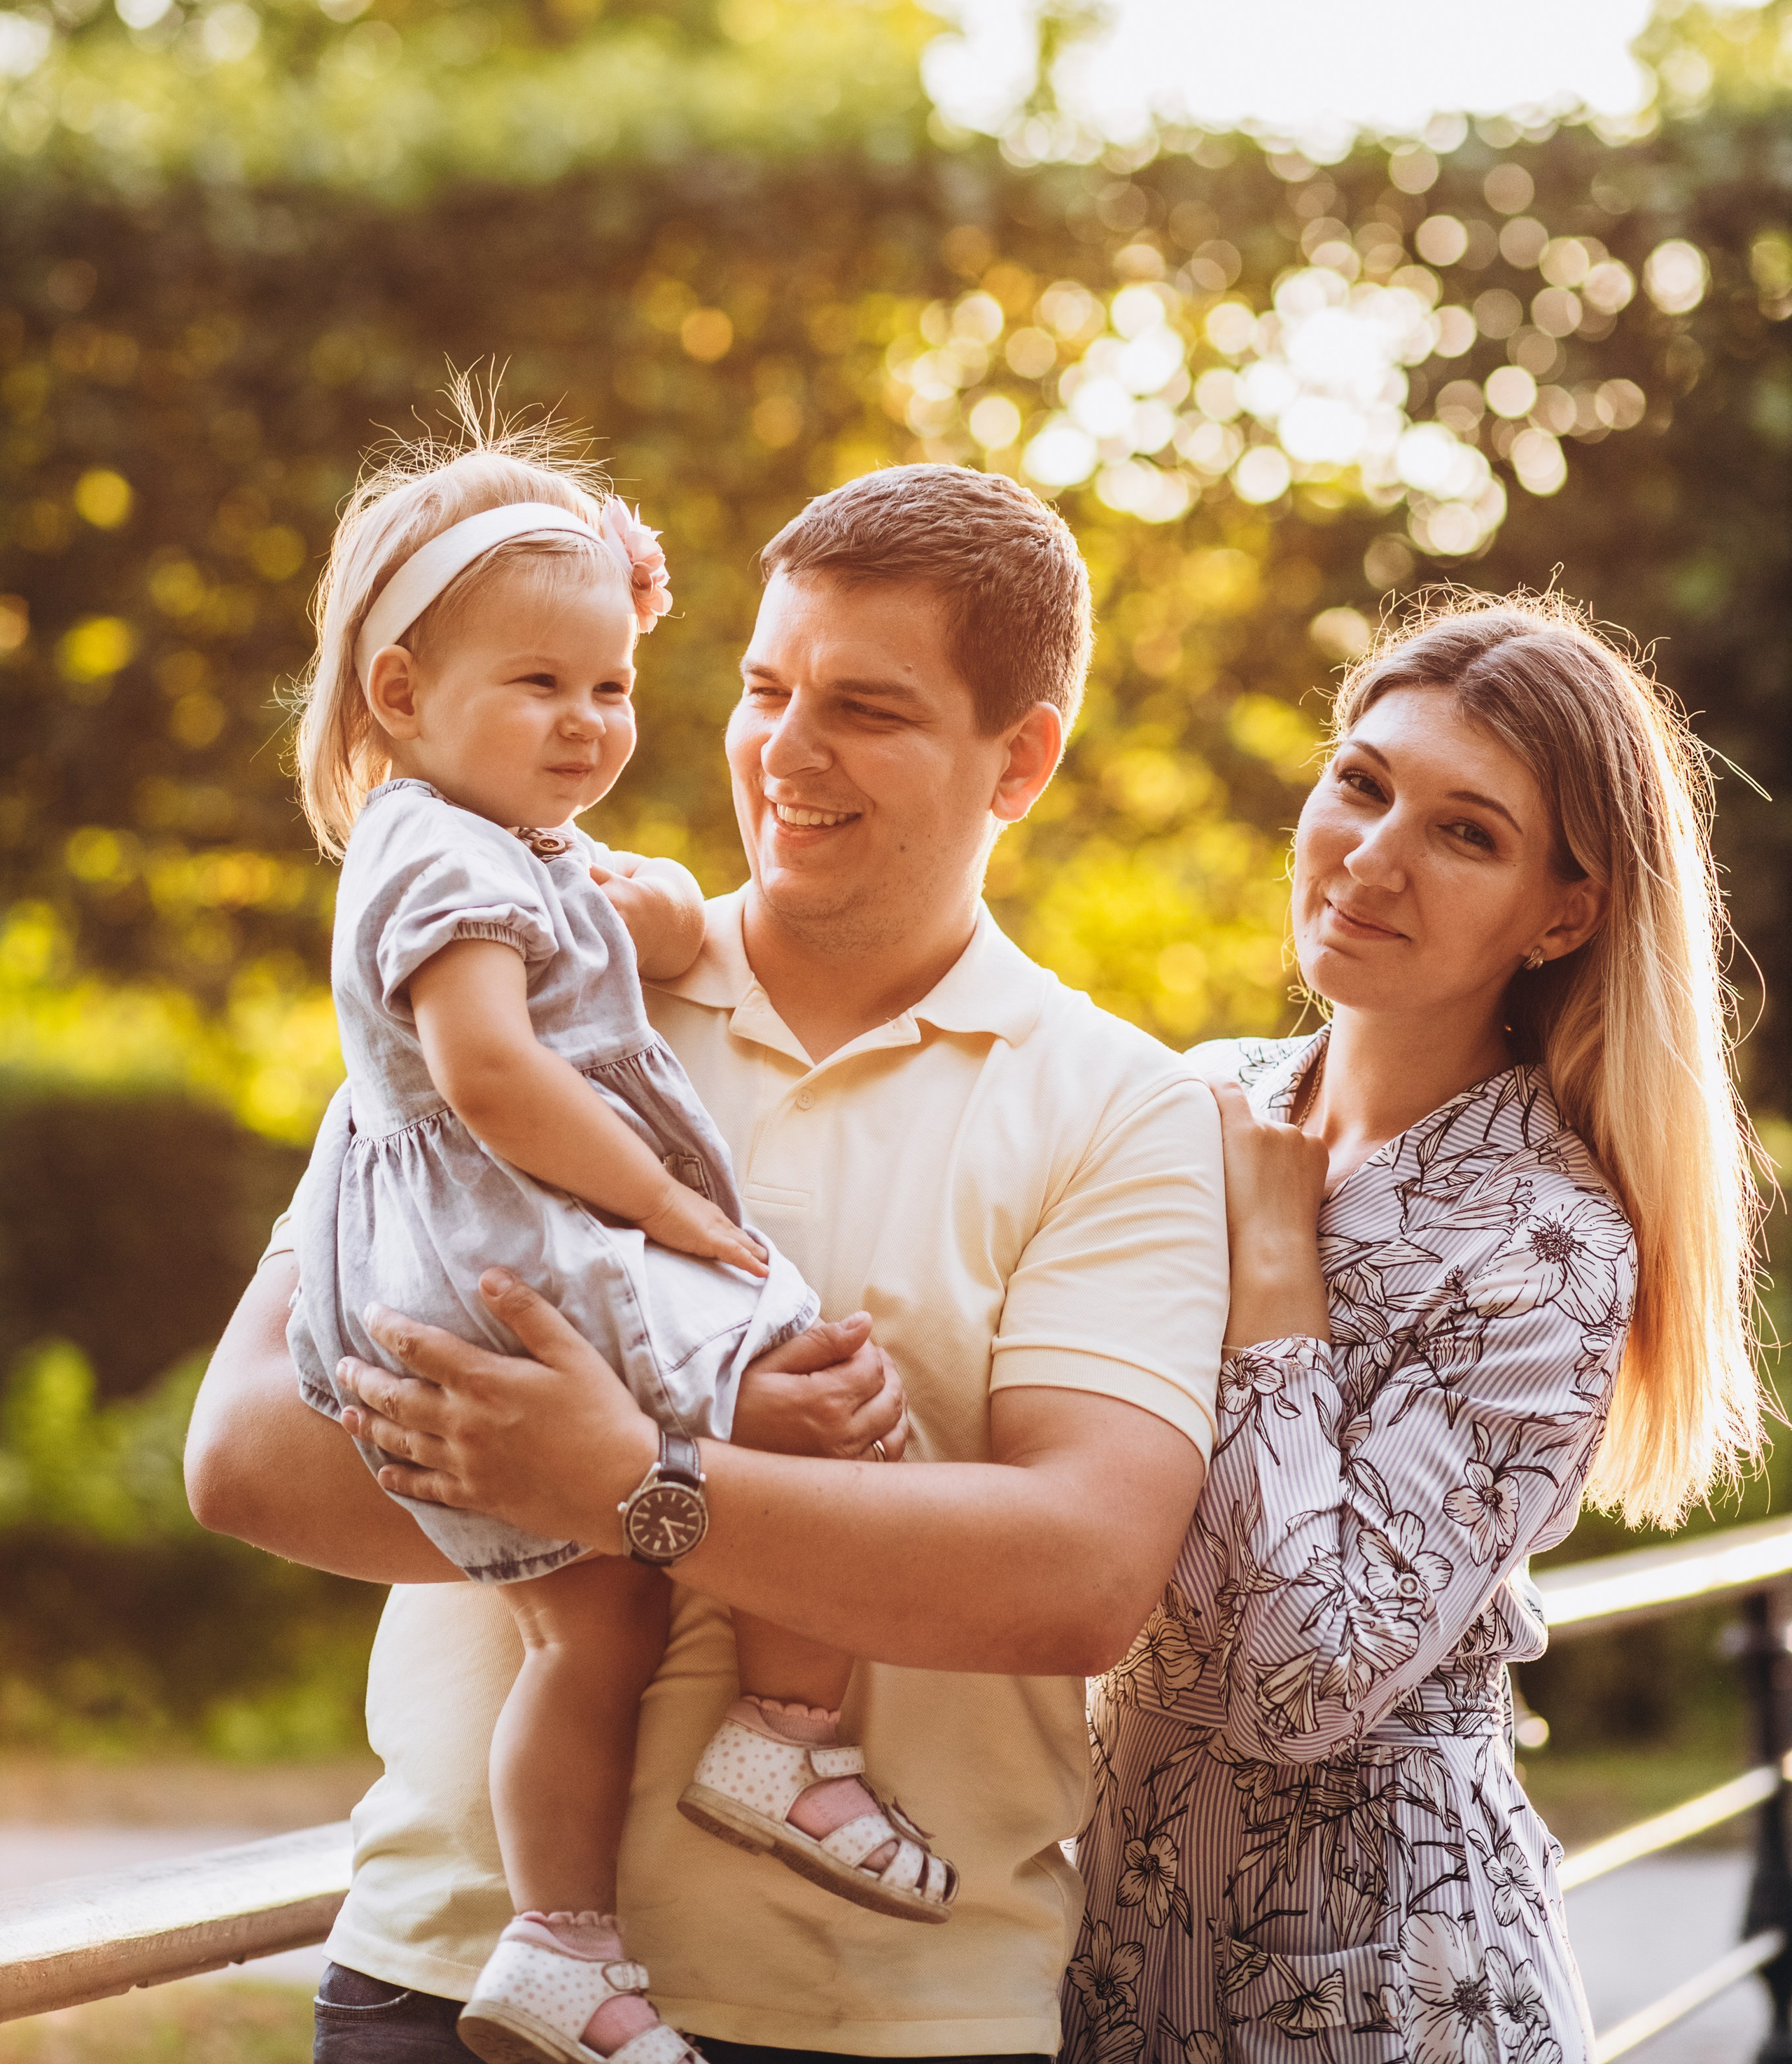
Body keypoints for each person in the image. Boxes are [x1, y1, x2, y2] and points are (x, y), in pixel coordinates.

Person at [186, 461, 1229, 2064]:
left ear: (1017, 759)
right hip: (446, 1988)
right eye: (761, 685)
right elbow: (250, 1455)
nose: (784, 750)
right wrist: (698, 1491)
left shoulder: (1121, 1107)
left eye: (865, 708)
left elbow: (1076, 1573)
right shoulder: (522, 980)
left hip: (880, 2018)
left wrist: (630, 1485)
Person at [283, 424, 962, 2064]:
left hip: (498, 1260)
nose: (588, 724)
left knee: (595, 1626)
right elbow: (494, 1068)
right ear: (396, 696)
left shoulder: (489, 844)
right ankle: (789, 1736)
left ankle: (561, 1943)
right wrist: (666, 1204)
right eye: (542, 686)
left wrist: (649, 910)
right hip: (538, 1253)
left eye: (610, 687)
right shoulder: (438, 850)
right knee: (821, 1398)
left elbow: (620, 920)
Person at [1060, 593, 1763, 2064]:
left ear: (1560, 914)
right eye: (1360, 781)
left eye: (1465, 831)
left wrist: (1269, 1262)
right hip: (1100, 1922)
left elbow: (1302, 1678)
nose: (1370, 854)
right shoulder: (1201, 1088)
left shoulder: (1548, 1243)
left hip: (1367, 1974)